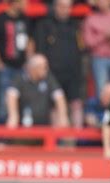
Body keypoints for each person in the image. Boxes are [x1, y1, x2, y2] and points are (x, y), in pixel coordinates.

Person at [34, 0, 84, 128]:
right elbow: (40, 50)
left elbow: (81, 49)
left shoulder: (75, 25)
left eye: (67, 7)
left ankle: (76, 140)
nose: (64, 10)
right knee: (55, 105)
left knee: (76, 104)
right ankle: (56, 141)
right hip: (53, 73)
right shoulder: (45, 25)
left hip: (73, 72)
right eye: (61, 6)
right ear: (55, 7)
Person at [0, 0, 32, 124]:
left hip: (22, 67)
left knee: (23, 100)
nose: (26, 4)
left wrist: (28, 61)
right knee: (3, 102)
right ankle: (1, 134)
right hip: (5, 67)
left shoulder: (26, 19)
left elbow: (29, 42)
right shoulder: (0, 19)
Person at [6, 54, 69, 128]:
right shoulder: (19, 79)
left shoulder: (48, 78)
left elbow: (59, 96)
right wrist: (13, 115)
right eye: (44, 67)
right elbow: (11, 95)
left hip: (45, 125)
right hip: (23, 125)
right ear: (33, 68)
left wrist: (63, 116)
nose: (46, 69)